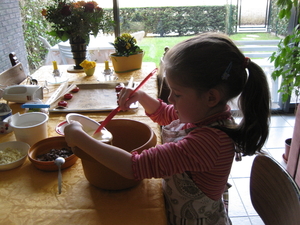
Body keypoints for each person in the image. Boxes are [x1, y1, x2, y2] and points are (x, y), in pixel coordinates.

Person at [64, 32, 270, 225]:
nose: (170, 99)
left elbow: (133, 167)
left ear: (211, 97)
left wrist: (81, 138)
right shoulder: (203, 115)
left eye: (177, 94)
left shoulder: (208, 143)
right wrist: (142, 97)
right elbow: (165, 113)